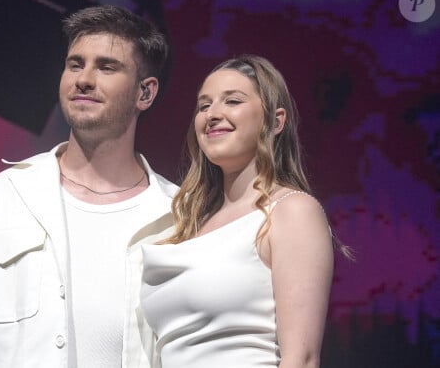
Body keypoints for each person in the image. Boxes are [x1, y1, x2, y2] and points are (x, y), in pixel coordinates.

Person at [0, 5, 177, 368]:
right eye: (75, 64)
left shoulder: (178, 214)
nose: (84, 79)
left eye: (106, 66)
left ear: (145, 94)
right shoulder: (3, 196)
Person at [140, 54, 352, 368]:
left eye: (233, 101)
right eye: (204, 105)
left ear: (275, 121)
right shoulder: (188, 224)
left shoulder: (291, 212)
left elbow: (302, 359)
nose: (212, 114)